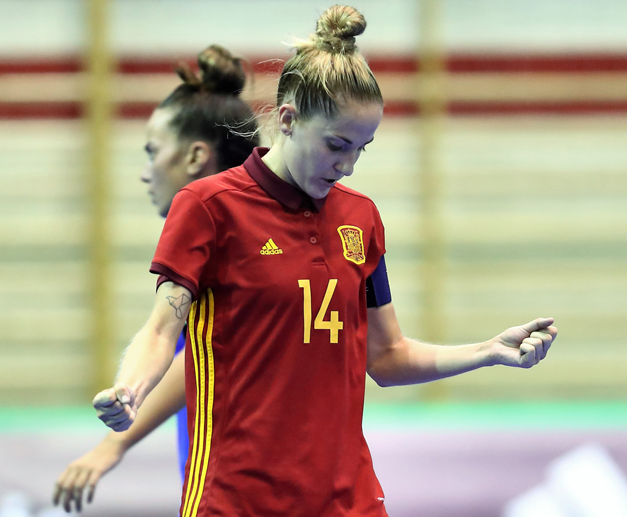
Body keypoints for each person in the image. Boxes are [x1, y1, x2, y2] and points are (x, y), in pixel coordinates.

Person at [93, 5, 558, 516]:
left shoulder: (362, 219)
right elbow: (162, 330)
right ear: (288, 119)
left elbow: (387, 355)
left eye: (362, 148)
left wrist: (487, 350)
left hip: (348, 500)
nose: (348, 165)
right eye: (337, 145)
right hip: (235, 500)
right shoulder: (207, 207)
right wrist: (130, 388)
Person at [52, 44, 259, 513]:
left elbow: (200, 359)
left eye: (153, 153)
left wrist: (115, 442)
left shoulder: (236, 241)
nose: (146, 174)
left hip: (241, 487)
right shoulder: (228, 232)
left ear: (196, 156)